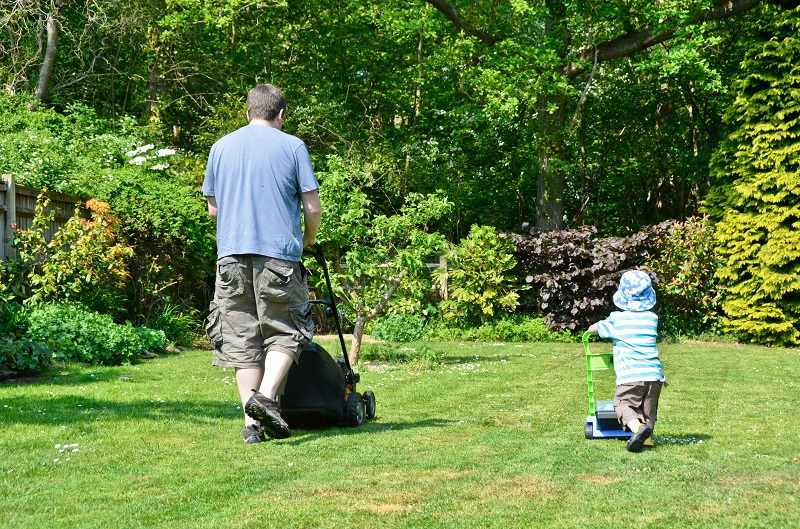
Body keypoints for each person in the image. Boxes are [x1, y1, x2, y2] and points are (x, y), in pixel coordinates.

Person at [202, 83, 322, 444]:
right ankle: (266, 398)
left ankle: (251, 426)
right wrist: (309, 239)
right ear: (281, 114)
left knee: (243, 339)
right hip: (279, 257)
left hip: (231, 256)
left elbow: (212, 208)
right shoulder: (292, 146)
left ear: (248, 112)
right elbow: (312, 207)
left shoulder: (220, 148)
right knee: (286, 332)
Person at [587, 270, 665, 452]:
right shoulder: (652, 319)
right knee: (648, 409)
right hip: (654, 376)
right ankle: (647, 437)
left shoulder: (617, 319)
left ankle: (638, 429)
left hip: (631, 375)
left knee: (623, 404)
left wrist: (591, 328)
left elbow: (599, 328)